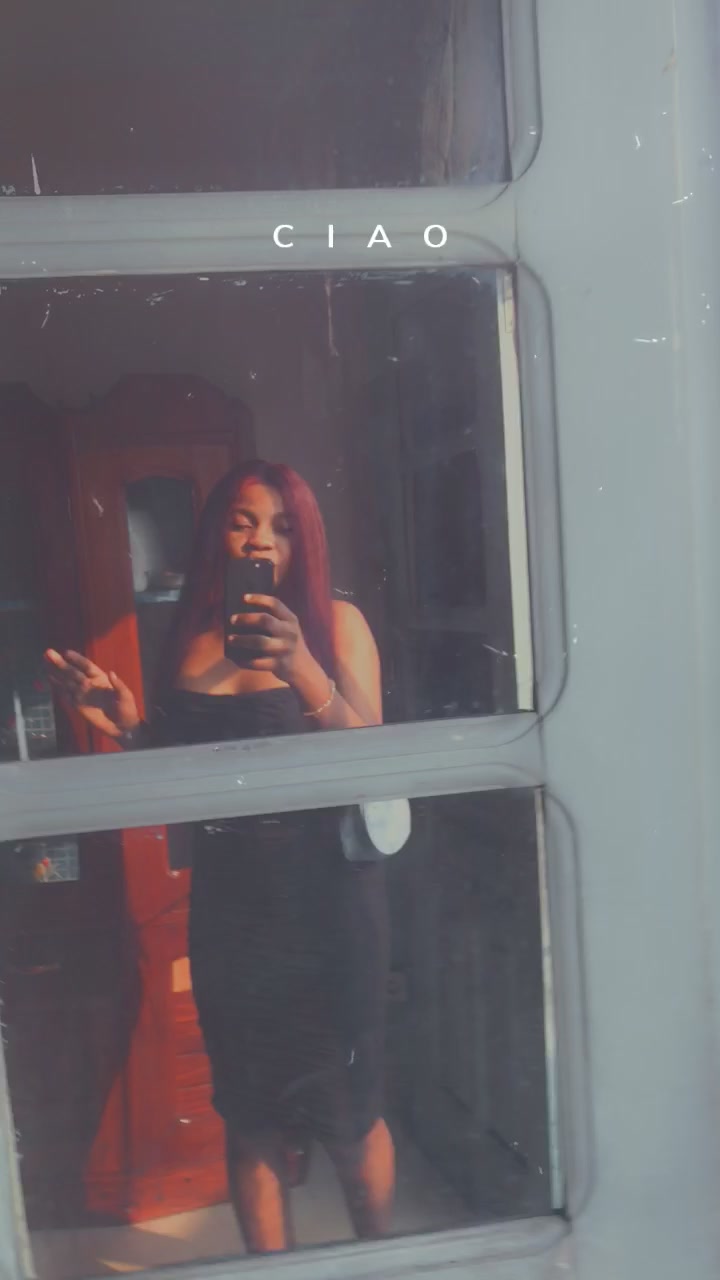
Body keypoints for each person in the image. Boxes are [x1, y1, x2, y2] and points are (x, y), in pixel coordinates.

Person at [45, 460, 395, 1254]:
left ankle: (385, 1262)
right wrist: (127, 726)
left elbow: (375, 769)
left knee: (349, 1117)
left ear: (305, 543)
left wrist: (300, 667)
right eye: (244, 522)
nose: (261, 540)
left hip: (330, 909)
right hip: (232, 915)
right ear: (216, 534)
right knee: (250, 1116)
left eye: (281, 527)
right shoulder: (191, 639)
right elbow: (182, 786)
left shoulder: (338, 626)